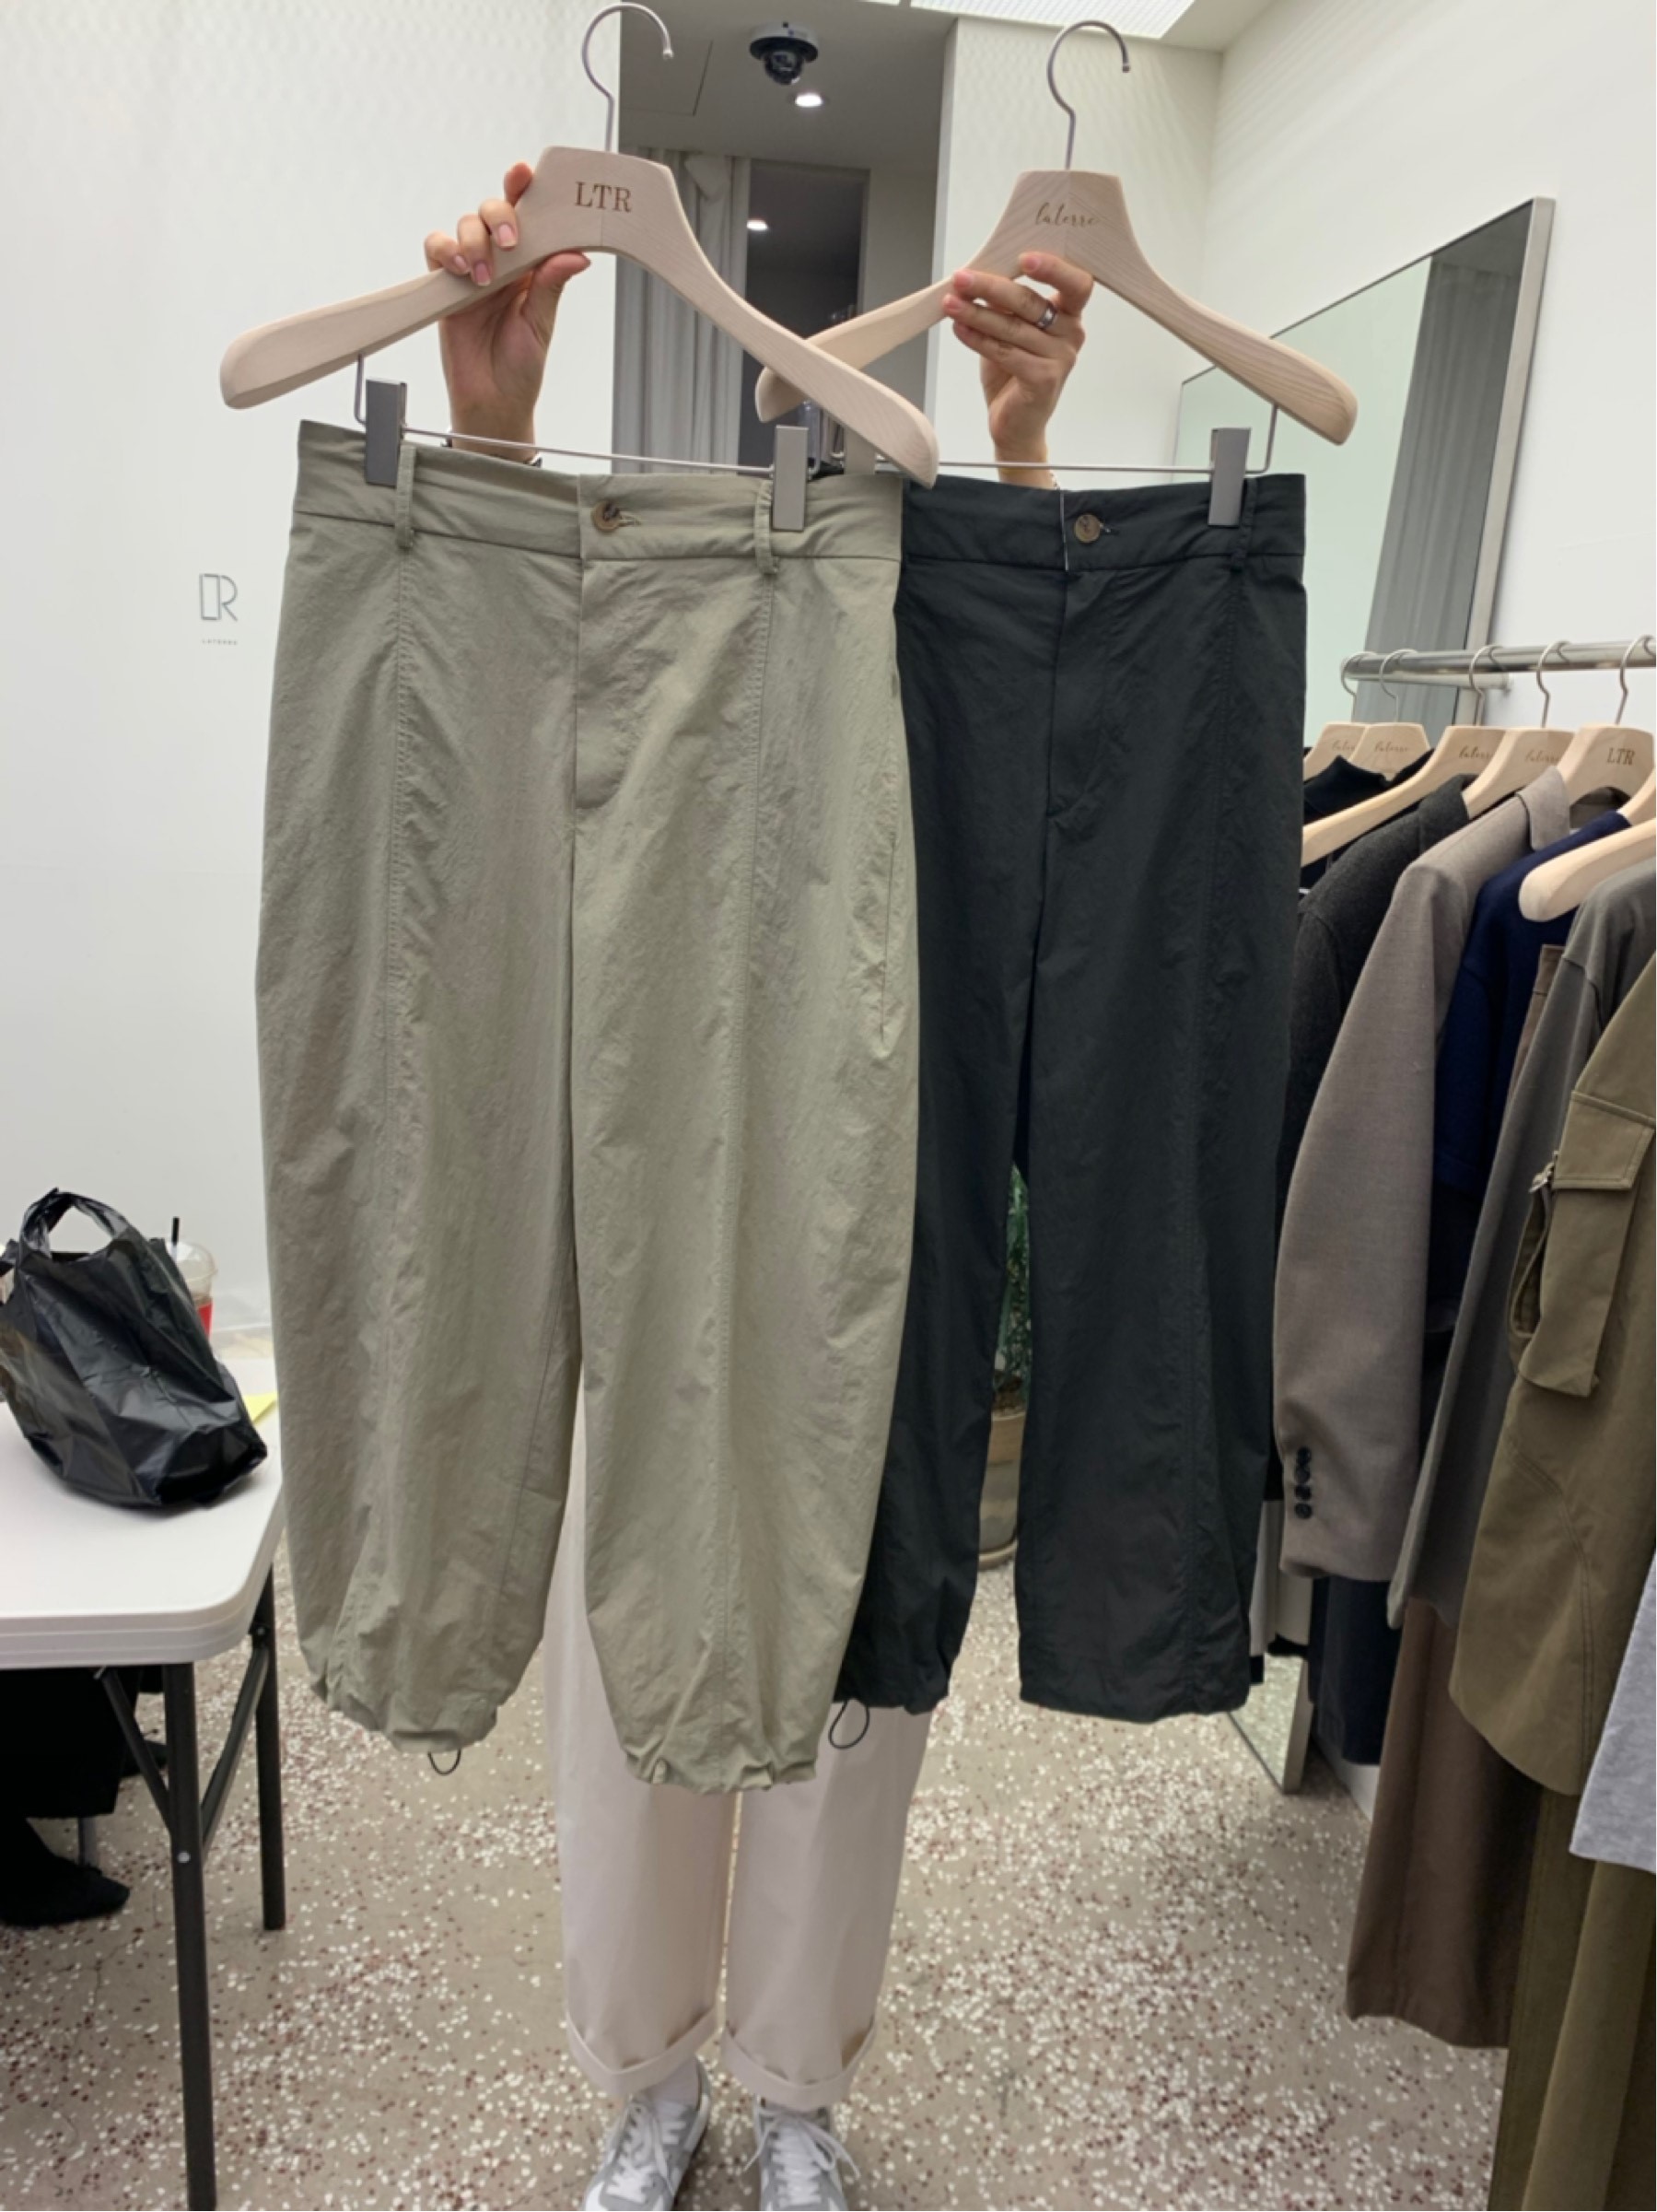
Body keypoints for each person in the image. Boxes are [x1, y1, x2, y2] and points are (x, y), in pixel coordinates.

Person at [423, 162, 1094, 2212]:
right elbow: (517, 726)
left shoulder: (921, 535)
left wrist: (1021, 455)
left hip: (882, 1066)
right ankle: (646, 2070)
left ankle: (795, 2080)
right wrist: (495, 439)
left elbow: (1033, 733)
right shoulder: (659, 562)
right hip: (648, 1071)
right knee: (631, 1577)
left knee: (846, 1603)